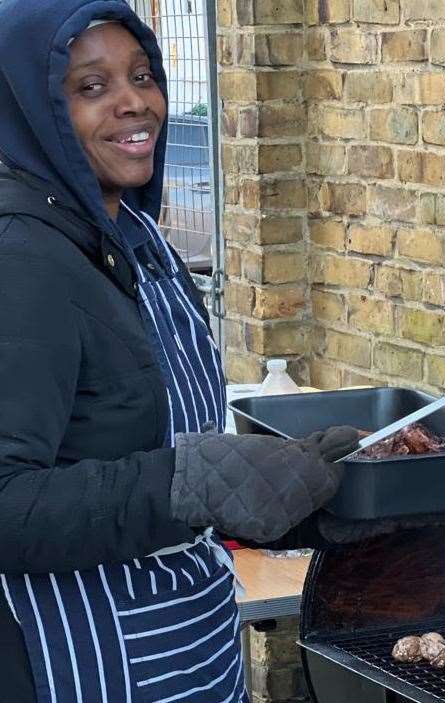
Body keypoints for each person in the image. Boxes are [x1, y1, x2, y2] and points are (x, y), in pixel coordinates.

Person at [0, 0, 358, 700]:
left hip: (187, 634)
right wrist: (187, 482)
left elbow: (143, 433)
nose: (134, 104)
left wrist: (281, 492)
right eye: (90, 87)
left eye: (142, 75)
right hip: (88, 661)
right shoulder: (24, 263)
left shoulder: (139, 239)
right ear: (31, 111)